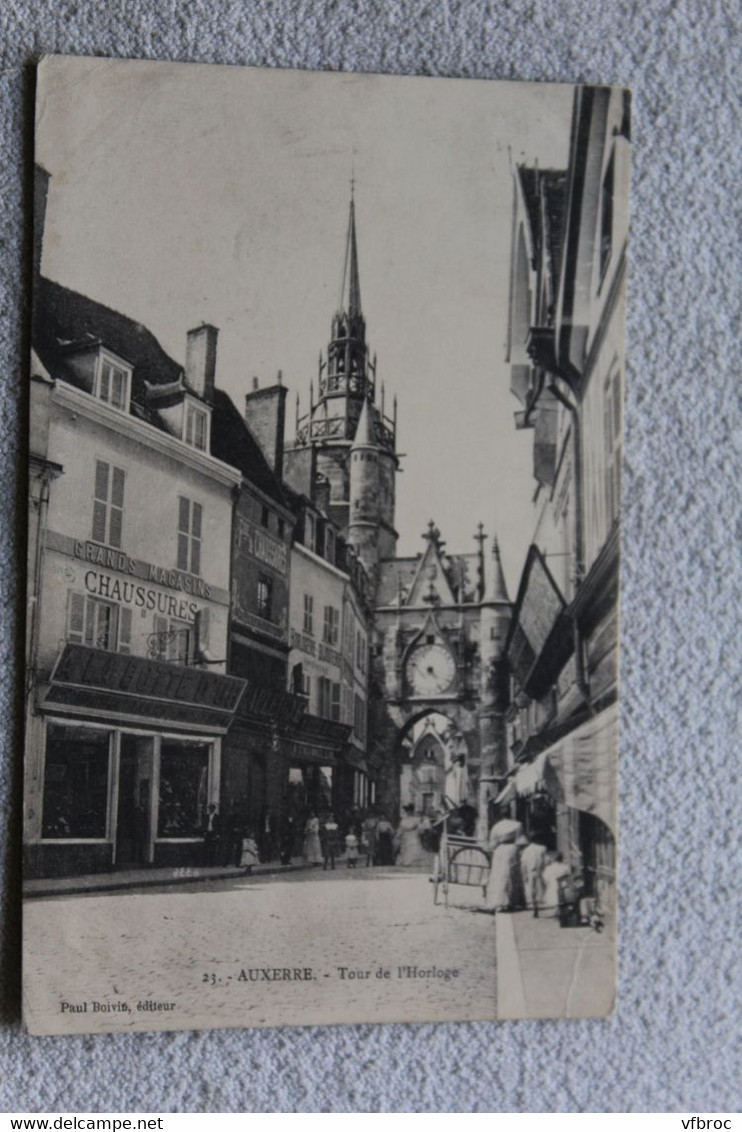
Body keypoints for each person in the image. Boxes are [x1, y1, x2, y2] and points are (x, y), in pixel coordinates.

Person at [484, 825, 520, 912]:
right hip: (511, 849)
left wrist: (490, 849)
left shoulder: (497, 826)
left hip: (500, 851)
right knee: (509, 875)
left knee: (499, 876)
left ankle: (499, 901)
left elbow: (492, 842)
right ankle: (510, 901)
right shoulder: (516, 825)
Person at [520, 837, 547, 915]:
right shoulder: (542, 848)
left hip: (530, 871)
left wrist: (524, 874)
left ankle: (535, 905)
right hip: (541, 870)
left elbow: (523, 864)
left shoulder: (526, 850)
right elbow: (545, 860)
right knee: (541, 888)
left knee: (532, 889)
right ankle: (539, 902)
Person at [541, 851, 571, 917]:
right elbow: (569, 875)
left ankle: (558, 910)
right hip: (563, 886)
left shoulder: (549, 868)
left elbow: (546, 878)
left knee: (554, 894)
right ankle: (560, 909)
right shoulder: (565, 867)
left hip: (553, 885)